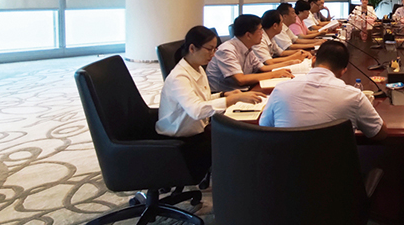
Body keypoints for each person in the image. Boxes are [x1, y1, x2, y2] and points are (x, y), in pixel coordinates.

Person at [156, 26, 266, 170]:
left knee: (240, 138)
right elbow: (196, 110)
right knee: (237, 144)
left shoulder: (197, 67)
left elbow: (201, 99)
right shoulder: (179, 77)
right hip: (181, 139)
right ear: (192, 48)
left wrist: (224, 95)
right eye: (209, 49)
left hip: (198, 130)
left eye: (215, 49)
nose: (213, 55)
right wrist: (232, 100)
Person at [260, 40, 388, 140]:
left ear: (313, 61)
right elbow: (379, 133)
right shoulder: (353, 96)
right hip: (334, 166)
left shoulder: (281, 89)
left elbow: (264, 127)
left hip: (286, 165)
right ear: (343, 71)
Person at [206, 15, 295, 93]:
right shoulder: (227, 50)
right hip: (224, 94)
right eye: (260, 30)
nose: (262, 33)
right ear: (248, 35)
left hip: (241, 90)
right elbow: (240, 79)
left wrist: (290, 63)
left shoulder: (247, 47)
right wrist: (274, 74)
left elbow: (263, 68)